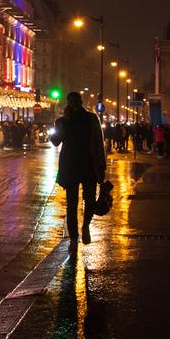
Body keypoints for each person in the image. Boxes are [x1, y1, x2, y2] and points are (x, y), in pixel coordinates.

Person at [51, 92, 106, 245]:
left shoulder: (85, 119)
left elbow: (55, 141)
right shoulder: (85, 119)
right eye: (72, 101)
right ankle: (80, 230)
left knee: (73, 202)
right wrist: (101, 165)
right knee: (86, 201)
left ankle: (76, 234)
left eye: (74, 101)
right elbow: (99, 143)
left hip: (74, 166)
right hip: (86, 165)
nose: (74, 103)